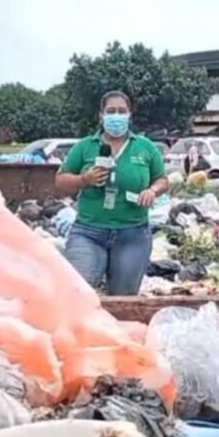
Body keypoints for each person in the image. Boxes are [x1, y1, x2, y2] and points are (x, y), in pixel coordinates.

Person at [55, 91, 168, 295]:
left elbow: (162, 179)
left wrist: (152, 190)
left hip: (133, 234)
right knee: (77, 292)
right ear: (101, 115)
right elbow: (60, 180)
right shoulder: (85, 147)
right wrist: (84, 179)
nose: (116, 116)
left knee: (122, 298)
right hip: (89, 232)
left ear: (130, 115)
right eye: (111, 111)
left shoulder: (145, 147)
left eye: (122, 111)